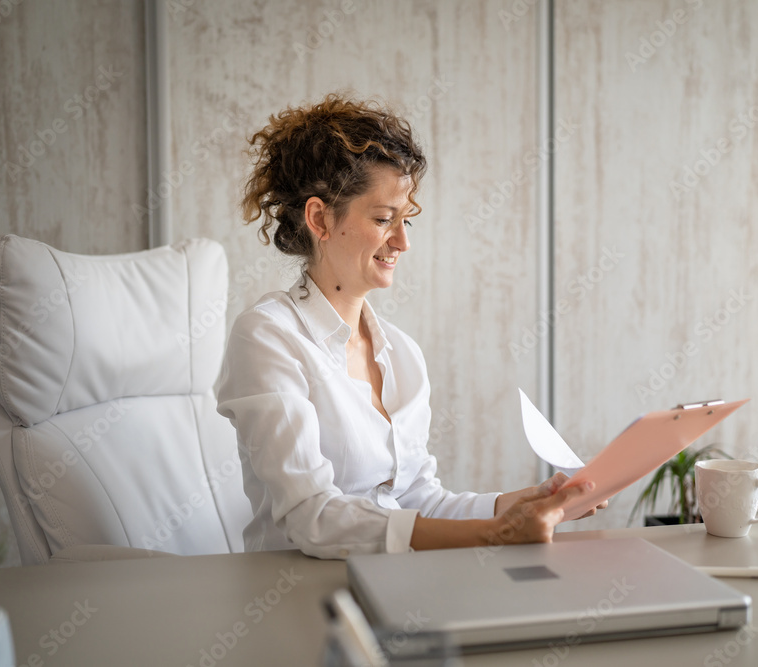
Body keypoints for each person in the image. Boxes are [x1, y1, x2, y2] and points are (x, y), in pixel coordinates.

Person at [216, 93, 602, 559]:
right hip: (301, 594)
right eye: (383, 220)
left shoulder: (400, 354)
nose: (401, 241)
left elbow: (419, 503)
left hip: (397, 582)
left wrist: (521, 504)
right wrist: (494, 535)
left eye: (406, 222)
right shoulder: (267, 337)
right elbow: (312, 518)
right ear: (319, 218)